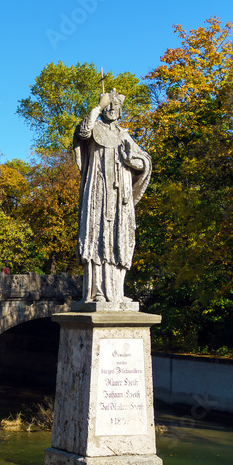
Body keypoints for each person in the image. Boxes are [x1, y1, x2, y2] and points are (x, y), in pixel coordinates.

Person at [73, 88, 151, 305]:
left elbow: (144, 161)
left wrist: (131, 161)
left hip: (120, 198)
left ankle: (116, 292)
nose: (111, 110)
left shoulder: (123, 135)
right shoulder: (94, 129)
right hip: (97, 193)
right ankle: (97, 291)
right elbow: (82, 132)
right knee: (97, 238)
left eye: (115, 106)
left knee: (120, 239)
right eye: (108, 106)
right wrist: (97, 106)